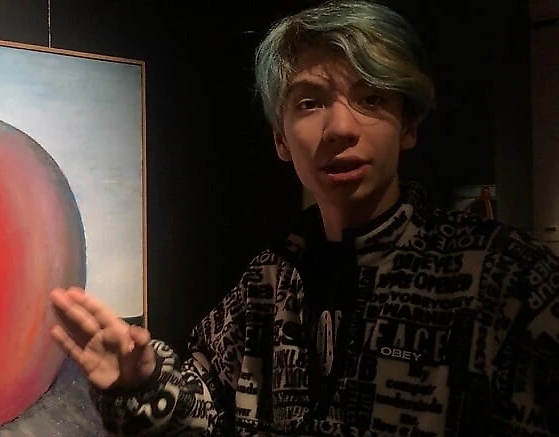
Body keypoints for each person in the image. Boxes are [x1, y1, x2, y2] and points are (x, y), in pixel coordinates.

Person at [48, 0, 559, 435]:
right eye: (310, 103)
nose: (340, 128)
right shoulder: (267, 285)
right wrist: (140, 382)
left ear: (408, 125)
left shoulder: (503, 279)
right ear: (280, 139)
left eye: (371, 98)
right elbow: (202, 413)